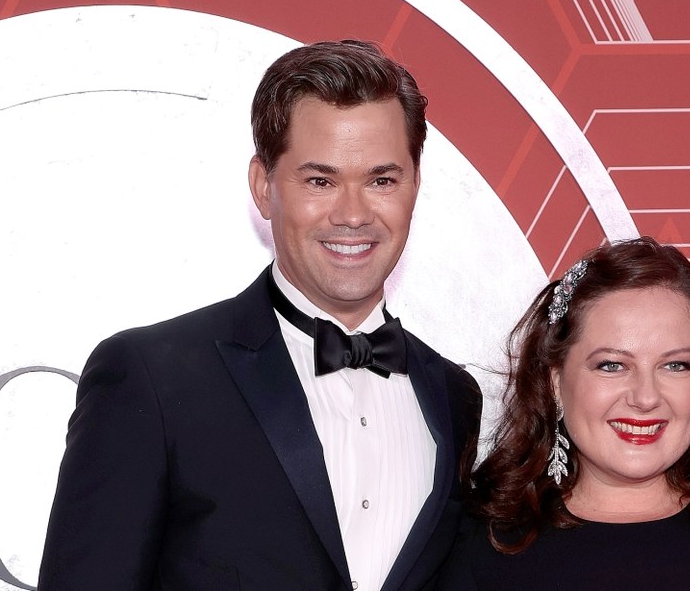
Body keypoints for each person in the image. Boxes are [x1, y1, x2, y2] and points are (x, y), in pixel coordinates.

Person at [38, 40, 482, 590]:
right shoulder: (152, 379)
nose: (352, 213)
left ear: (415, 184)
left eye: (381, 180)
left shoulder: (454, 396)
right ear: (262, 183)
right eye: (320, 181)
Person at [439, 237, 690, 590]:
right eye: (612, 365)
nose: (645, 396)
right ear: (554, 383)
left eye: (675, 365)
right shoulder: (478, 544)